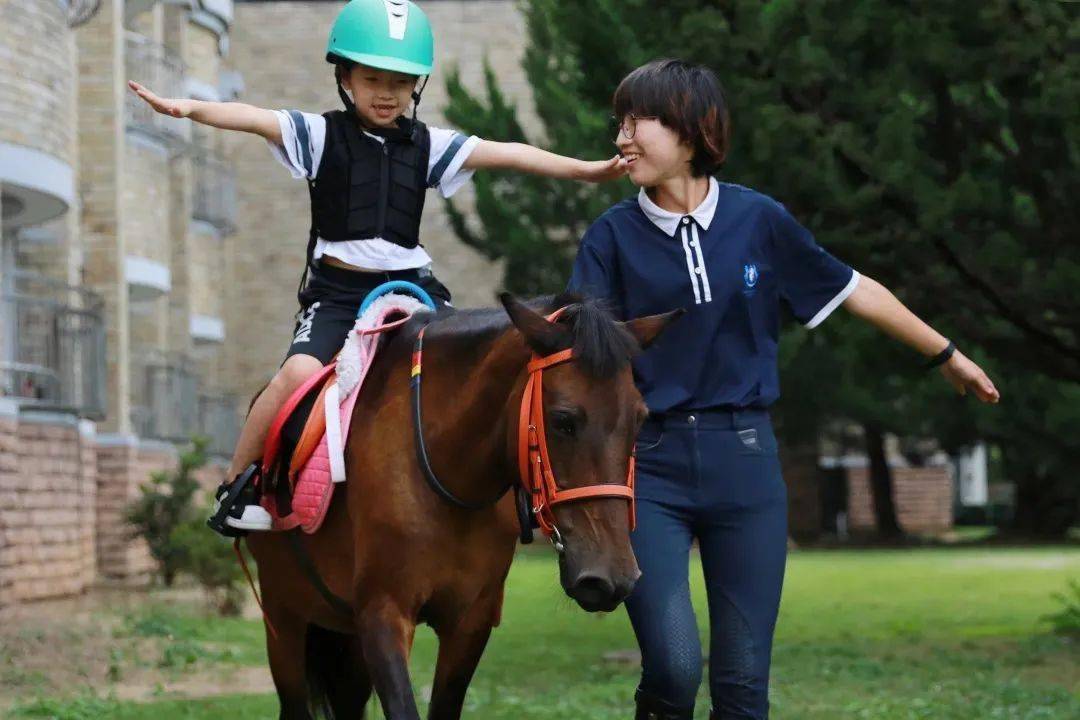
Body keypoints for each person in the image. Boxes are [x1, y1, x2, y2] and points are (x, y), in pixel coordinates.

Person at [568, 59, 999, 720]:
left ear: (690, 127)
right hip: (648, 472)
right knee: (676, 668)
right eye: (619, 122)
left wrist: (945, 352)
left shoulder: (758, 220)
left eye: (638, 122)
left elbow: (855, 290)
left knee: (742, 687)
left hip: (746, 466)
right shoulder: (610, 238)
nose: (621, 137)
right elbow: (577, 359)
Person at [129, 0, 627, 534]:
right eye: (372, 79)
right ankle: (238, 485)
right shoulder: (319, 136)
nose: (387, 93)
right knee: (296, 374)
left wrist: (586, 171)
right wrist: (188, 107)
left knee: (478, 369)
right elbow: (253, 117)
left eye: (401, 81)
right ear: (344, 77)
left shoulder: (430, 144)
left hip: (414, 287)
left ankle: (522, 495)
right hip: (339, 293)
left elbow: (508, 152)